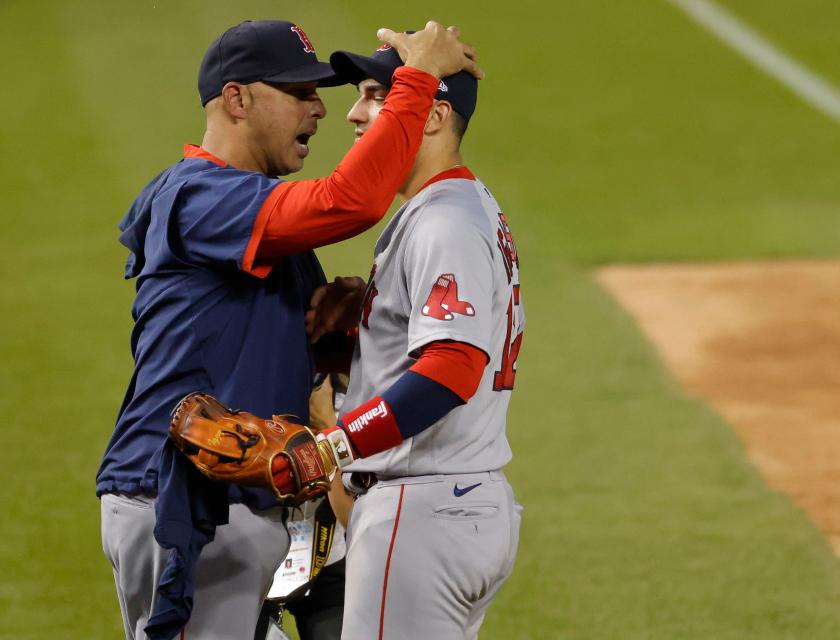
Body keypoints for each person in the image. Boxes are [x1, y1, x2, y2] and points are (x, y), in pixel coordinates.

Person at [95, 18, 480, 640]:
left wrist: (350, 328)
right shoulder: (199, 194)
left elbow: (280, 350)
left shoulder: (257, 218)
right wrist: (418, 81)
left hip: (236, 501)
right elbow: (348, 202)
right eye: (298, 92)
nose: (321, 108)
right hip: (177, 499)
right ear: (237, 99)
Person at [295, 40, 526, 638]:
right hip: (459, 503)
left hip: (424, 513)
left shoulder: (444, 222)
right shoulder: (463, 205)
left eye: (377, 96)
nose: (354, 113)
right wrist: (362, 331)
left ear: (434, 116)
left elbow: (450, 369)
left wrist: (334, 446)